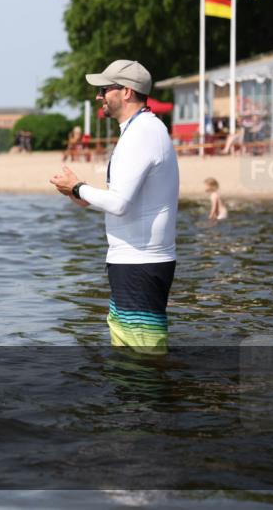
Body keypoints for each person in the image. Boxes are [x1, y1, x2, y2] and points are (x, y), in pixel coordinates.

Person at [49, 60, 179, 354]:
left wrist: (79, 187)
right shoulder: (140, 129)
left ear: (128, 92)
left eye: (105, 89)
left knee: (143, 359)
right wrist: (80, 195)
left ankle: (162, 399)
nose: (99, 96)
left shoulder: (142, 133)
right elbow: (126, 199)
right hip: (133, 260)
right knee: (127, 354)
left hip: (140, 262)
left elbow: (119, 203)